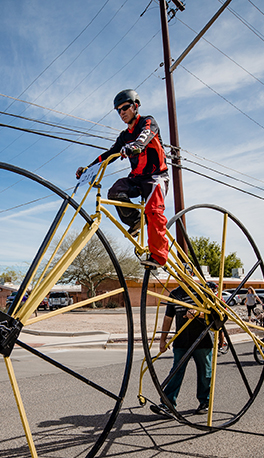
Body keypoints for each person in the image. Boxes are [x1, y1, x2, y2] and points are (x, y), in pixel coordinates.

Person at [76, 89, 169, 269]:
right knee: (115, 191)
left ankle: (158, 256)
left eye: (125, 107)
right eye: (118, 110)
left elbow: (145, 136)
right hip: (136, 179)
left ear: (135, 106)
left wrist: (136, 146)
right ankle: (135, 221)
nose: (122, 113)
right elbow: (109, 154)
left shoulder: (147, 122)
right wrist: (89, 168)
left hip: (156, 177)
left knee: (153, 210)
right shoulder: (124, 136)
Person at [150, 282, 213, 416]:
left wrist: (198, 313)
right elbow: (168, 318)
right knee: (176, 372)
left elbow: (214, 312)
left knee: (204, 372)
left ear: (191, 274)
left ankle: (205, 402)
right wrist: (163, 339)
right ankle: (168, 404)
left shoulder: (202, 291)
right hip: (182, 340)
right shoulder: (175, 294)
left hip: (202, 339)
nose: (181, 277)